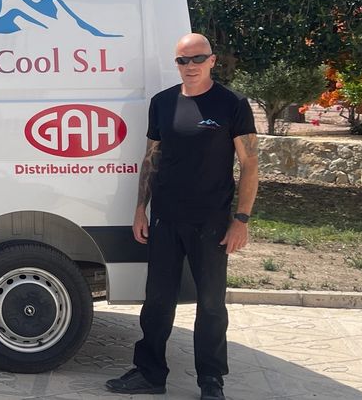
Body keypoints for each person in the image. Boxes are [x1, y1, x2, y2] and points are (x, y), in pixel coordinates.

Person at [105, 33, 258, 400]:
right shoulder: (162, 103)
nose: (190, 66)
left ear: (212, 61)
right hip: (165, 219)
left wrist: (241, 220)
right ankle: (150, 374)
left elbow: (250, 164)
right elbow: (151, 159)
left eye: (198, 58)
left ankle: (211, 381)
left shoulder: (232, 104)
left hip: (211, 222)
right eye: (182, 60)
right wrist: (140, 209)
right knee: (157, 301)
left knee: (211, 304)